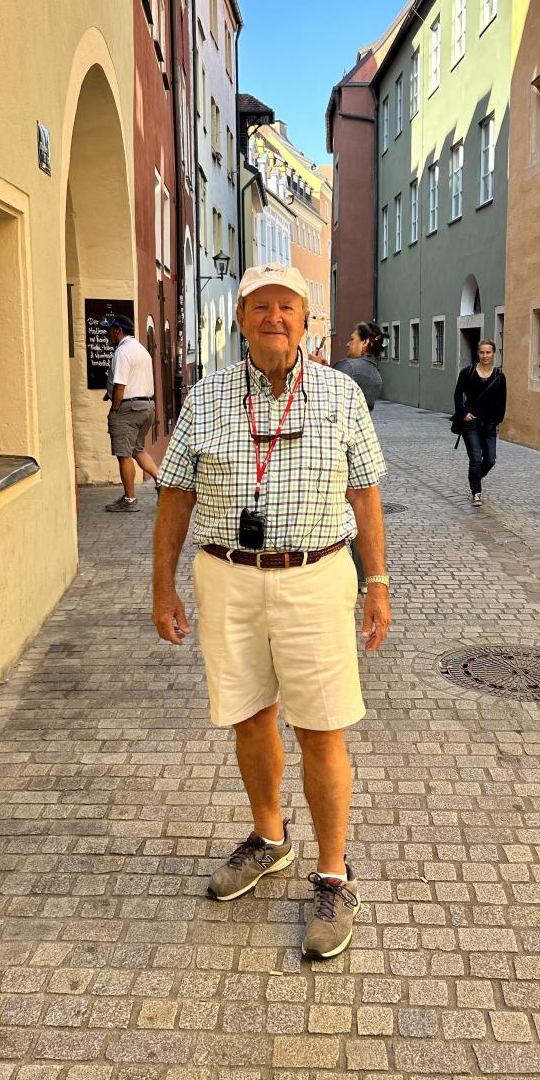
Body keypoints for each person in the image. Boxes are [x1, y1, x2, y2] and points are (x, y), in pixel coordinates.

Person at [152, 263, 391, 961]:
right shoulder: (205, 399)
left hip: (314, 576)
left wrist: (376, 582)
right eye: (261, 307)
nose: (274, 318)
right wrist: (162, 586)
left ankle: (334, 875)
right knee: (249, 715)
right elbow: (175, 497)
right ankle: (269, 838)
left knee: (322, 727)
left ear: (307, 322)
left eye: (288, 307)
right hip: (225, 576)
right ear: (241, 319)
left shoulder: (341, 395)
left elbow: (366, 493)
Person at [323, 323, 385, 592]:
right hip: (357, 447)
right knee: (361, 513)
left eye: (352, 339)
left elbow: (321, 395)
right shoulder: (374, 374)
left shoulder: (348, 369)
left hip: (333, 448)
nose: (348, 344)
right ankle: (363, 576)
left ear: (367, 343)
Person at [100, 315, 160, 513]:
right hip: (146, 406)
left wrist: (114, 410)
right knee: (137, 450)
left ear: (118, 331)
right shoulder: (141, 349)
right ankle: (163, 484)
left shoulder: (123, 352)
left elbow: (120, 386)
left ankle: (130, 499)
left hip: (128, 409)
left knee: (123, 455)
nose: (107, 334)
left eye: (109, 330)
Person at [453, 340, 507, 506]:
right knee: (476, 458)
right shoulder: (467, 372)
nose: (485, 356)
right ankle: (476, 491)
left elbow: (502, 401)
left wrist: (496, 420)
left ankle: (475, 476)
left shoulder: (499, 376)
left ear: (493, 354)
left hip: (490, 425)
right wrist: (463, 413)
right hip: (471, 424)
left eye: (488, 352)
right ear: (478, 353)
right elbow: (457, 394)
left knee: (490, 459)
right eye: (482, 352)